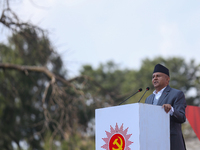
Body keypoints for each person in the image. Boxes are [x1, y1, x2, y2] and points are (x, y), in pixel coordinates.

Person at [145, 64, 187, 150]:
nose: (155, 78)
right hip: (154, 142)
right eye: (153, 77)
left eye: (158, 76)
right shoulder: (148, 99)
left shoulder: (176, 94)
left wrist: (171, 110)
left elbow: (182, 117)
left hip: (171, 142)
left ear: (167, 79)